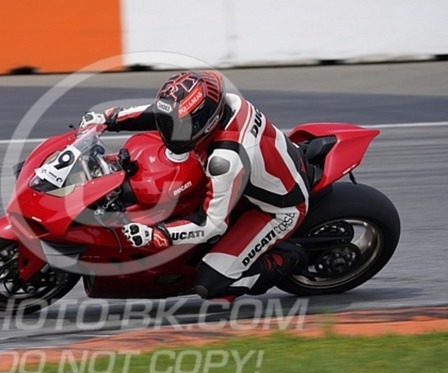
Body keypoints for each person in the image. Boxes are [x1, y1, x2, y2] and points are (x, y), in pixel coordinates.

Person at [79, 70, 310, 300]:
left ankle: (287, 258)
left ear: (207, 120)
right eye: (170, 123)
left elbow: (211, 224)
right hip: (256, 175)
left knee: (211, 284)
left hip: (277, 209)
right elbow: (162, 112)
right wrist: (110, 118)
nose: (171, 132)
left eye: (182, 126)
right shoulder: (226, 103)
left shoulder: (224, 160)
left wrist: (159, 234)